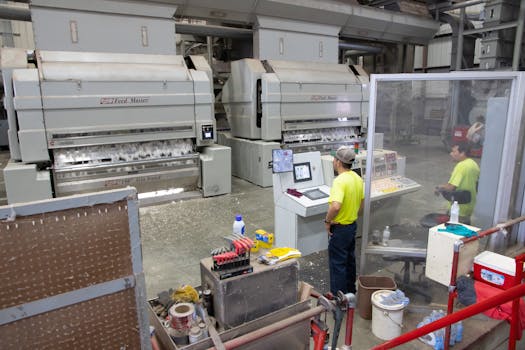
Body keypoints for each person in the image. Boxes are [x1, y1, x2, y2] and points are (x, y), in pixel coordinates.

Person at [324, 146, 364, 296]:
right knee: (349, 260)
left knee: (337, 264)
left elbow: (335, 206)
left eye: (335, 159)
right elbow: (361, 203)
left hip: (340, 229)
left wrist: (327, 221)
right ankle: (350, 292)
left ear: (338, 162)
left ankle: (338, 299)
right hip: (352, 226)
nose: (334, 161)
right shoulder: (357, 178)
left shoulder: (340, 181)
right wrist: (351, 214)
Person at [435, 142, 480, 224]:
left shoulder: (461, 166)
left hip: (459, 208)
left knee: (453, 233)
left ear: (462, 153)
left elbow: (451, 187)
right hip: (469, 206)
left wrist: (439, 187)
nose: (451, 154)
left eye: (454, 152)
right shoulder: (474, 164)